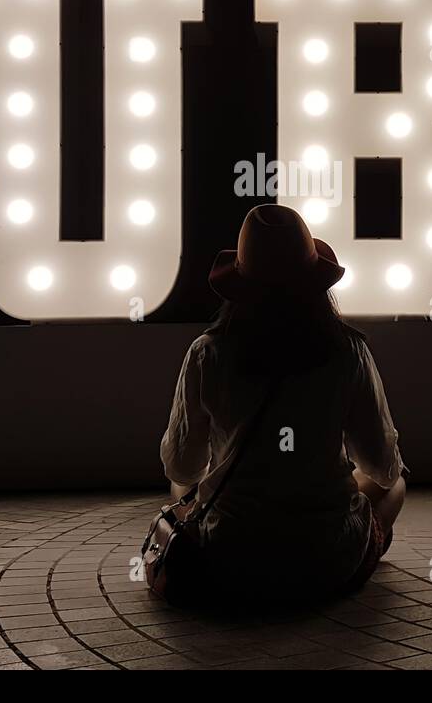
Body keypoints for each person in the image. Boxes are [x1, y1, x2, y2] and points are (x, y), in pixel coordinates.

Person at [159, 204, 407, 604]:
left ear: (239, 285)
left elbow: (181, 465)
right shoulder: (347, 351)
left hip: (229, 555)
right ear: (316, 284)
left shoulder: (207, 353)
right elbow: (381, 464)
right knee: (395, 484)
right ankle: (359, 551)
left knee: (184, 483)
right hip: (326, 558)